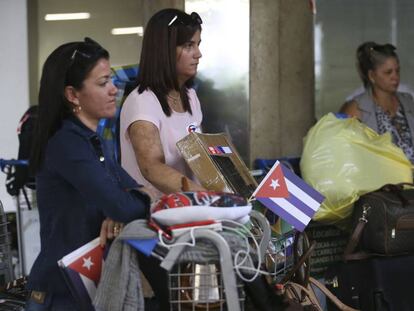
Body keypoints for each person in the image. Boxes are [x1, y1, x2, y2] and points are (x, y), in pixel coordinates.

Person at [26, 38, 151, 311]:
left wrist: (122, 208)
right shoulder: (66, 143)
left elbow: (129, 192)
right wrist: (124, 208)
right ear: (72, 95)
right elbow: (123, 204)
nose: (114, 89)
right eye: (103, 82)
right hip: (60, 293)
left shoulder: (93, 140)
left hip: (85, 285)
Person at [120, 8, 205, 200]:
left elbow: (202, 157)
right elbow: (152, 167)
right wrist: (207, 197)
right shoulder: (142, 101)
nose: (198, 54)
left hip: (193, 213)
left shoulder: (191, 96)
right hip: (156, 217)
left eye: (198, 44)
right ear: (164, 49)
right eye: (188, 45)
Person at [340, 41, 414, 163]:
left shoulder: (408, 101)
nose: (395, 77)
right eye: (388, 72)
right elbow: (345, 152)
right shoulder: (356, 109)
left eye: (397, 71)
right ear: (372, 76)